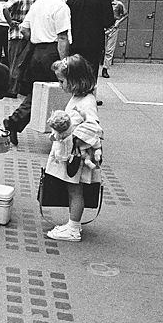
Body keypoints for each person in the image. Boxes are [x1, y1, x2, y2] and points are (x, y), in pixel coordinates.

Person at [3, 0, 72, 145]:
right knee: (60, 91)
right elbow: (62, 37)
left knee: (37, 93)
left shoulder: (38, 4)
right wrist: (64, 62)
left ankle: (15, 121)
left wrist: (37, 39)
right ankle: (60, 131)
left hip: (35, 53)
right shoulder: (61, 6)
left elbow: (25, 29)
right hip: (52, 52)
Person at [43, 54, 103, 242]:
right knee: (72, 189)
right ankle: (72, 224)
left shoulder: (87, 101)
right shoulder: (80, 97)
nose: (60, 85)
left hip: (76, 155)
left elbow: (94, 127)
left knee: (75, 190)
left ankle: (74, 228)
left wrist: (71, 133)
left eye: (62, 81)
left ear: (75, 80)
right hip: (72, 153)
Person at [66, 0, 115, 100]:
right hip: (95, 41)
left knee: (77, 67)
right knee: (92, 68)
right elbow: (109, 21)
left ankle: (76, 93)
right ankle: (90, 96)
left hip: (76, 40)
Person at [5, 0, 37, 97]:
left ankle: (12, 89)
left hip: (16, 33)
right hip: (31, 34)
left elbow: (5, 8)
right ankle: (23, 88)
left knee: (14, 61)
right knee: (25, 62)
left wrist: (10, 22)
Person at [101, 0, 127, 78]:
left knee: (109, 50)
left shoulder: (118, 4)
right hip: (102, 28)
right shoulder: (101, 3)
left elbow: (125, 14)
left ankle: (105, 69)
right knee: (100, 48)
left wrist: (118, 22)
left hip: (113, 28)